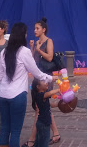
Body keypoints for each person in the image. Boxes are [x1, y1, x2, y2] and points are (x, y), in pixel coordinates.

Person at [0, 22, 56, 147]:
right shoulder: (24, 52)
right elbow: (37, 73)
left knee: (5, 128)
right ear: (23, 36)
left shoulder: (4, 52)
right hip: (17, 95)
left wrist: (5, 86)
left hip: (2, 95)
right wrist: (51, 78)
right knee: (15, 131)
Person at [23, 18, 60, 146]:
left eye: (37, 28)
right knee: (45, 107)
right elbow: (33, 60)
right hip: (38, 77)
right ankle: (56, 134)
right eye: (34, 28)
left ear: (44, 29)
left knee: (40, 108)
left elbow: (49, 57)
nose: (35, 31)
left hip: (46, 78)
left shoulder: (49, 41)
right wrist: (33, 48)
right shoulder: (38, 42)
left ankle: (32, 140)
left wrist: (39, 50)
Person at [30, 79, 60, 147]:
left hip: (41, 122)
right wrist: (58, 90)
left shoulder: (42, 96)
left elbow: (49, 105)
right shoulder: (40, 95)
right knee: (43, 144)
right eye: (43, 82)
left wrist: (59, 104)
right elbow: (50, 93)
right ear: (38, 86)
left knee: (38, 143)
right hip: (44, 123)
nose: (46, 83)